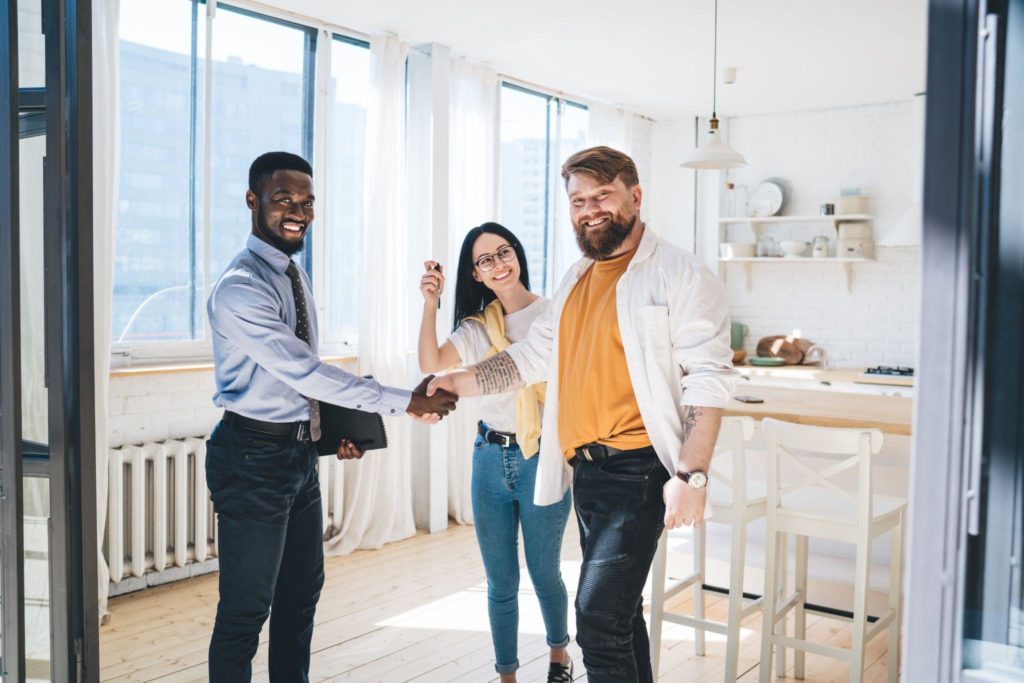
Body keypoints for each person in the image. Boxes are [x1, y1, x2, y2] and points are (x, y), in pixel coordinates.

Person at [428, 146, 737, 682]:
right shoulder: (574, 280)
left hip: (639, 470)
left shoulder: (680, 273)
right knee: (618, 615)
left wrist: (692, 475)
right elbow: (529, 359)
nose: (589, 209)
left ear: (634, 197)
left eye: (602, 196)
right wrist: (456, 381)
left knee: (595, 618)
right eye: (577, 200)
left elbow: (708, 381)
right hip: (588, 472)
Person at [204, 151, 457, 682]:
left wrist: (329, 432)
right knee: (246, 612)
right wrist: (403, 401)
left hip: (295, 456)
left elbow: (297, 383)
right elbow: (303, 372)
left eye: (307, 202)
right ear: (253, 201)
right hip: (251, 459)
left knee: (300, 599)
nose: (298, 211)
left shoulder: (292, 273)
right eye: (283, 200)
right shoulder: (240, 287)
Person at [418, 223, 573, 683]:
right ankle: (506, 675)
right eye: (486, 260)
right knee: (500, 582)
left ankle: (559, 659)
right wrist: (430, 303)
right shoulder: (477, 327)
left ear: (518, 256)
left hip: (541, 458)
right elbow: (431, 364)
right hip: (489, 456)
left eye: (504, 252)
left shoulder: (552, 316)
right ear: (476, 274)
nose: (498, 264)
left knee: (545, 574)